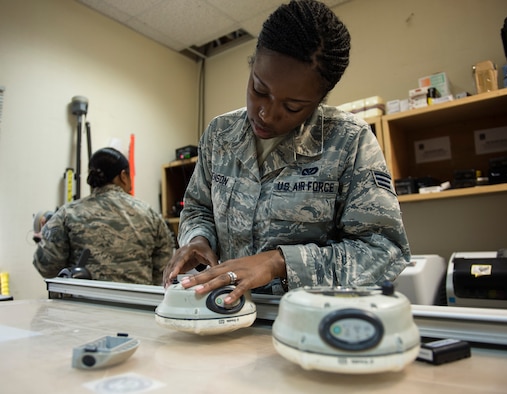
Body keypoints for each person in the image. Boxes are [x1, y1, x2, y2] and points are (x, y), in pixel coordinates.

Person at [163, 0, 411, 304]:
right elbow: (198, 208)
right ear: (252, 64)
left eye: (292, 107)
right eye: (258, 89)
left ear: (320, 99)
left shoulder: (349, 141)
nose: (266, 114)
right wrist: (197, 239)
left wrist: (279, 262)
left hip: (312, 320)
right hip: (227, 314)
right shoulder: (220, 134)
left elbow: (385, 253)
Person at [33, 147, 174, 285]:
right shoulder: (149, 214)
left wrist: (45, 235)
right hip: (136, 305)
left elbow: (46, 268)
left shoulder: (67, 213)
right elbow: (165, 269)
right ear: (123, 176)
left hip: (82, 306)